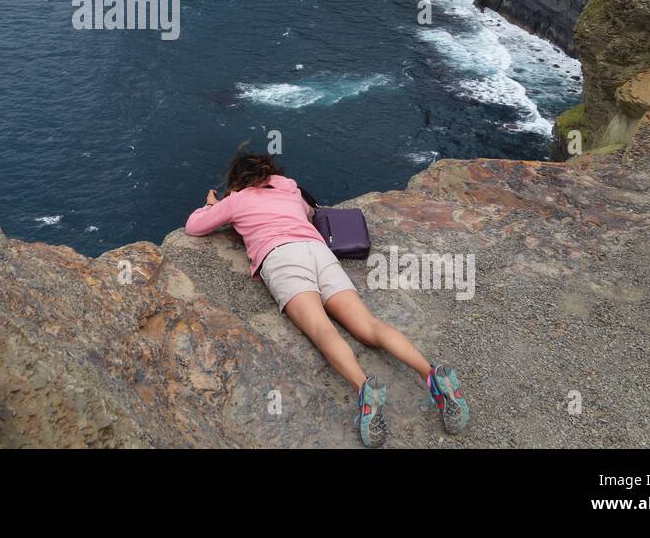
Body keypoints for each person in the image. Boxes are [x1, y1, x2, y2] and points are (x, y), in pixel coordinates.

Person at [185, 148, 469, 447]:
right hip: (317, 251)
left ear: (237, 180)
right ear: (270, 173)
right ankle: (432, 374)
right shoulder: (289, 188)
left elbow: (194, 227)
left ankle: (364, 389)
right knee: (369, 326)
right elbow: (308, 212)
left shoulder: (236, 201)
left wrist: (212, 205)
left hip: (283, 258)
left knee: (323, 330)